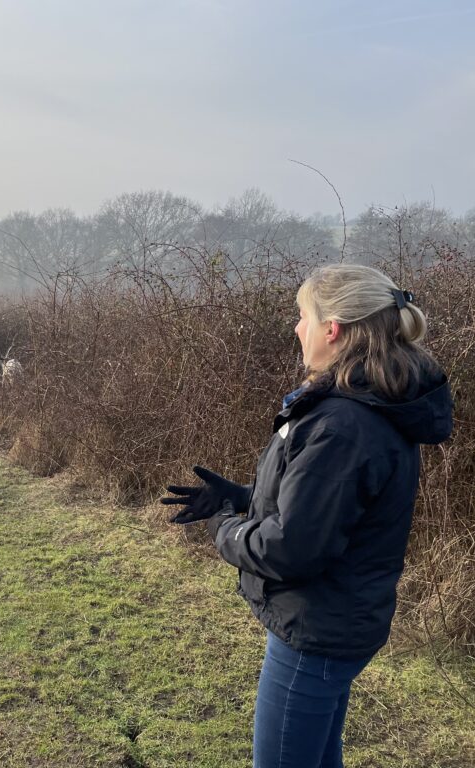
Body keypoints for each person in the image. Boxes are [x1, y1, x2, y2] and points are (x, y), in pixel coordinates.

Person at [162, 264, 453, 768]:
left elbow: (291, 548)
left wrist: (223, 526)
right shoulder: (369, 404)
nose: (298, 329)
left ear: (331, 328)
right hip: (339, 619)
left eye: (303, 317)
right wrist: (245, 496)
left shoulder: (343, 424)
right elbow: (329, 506)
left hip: (316, 632)